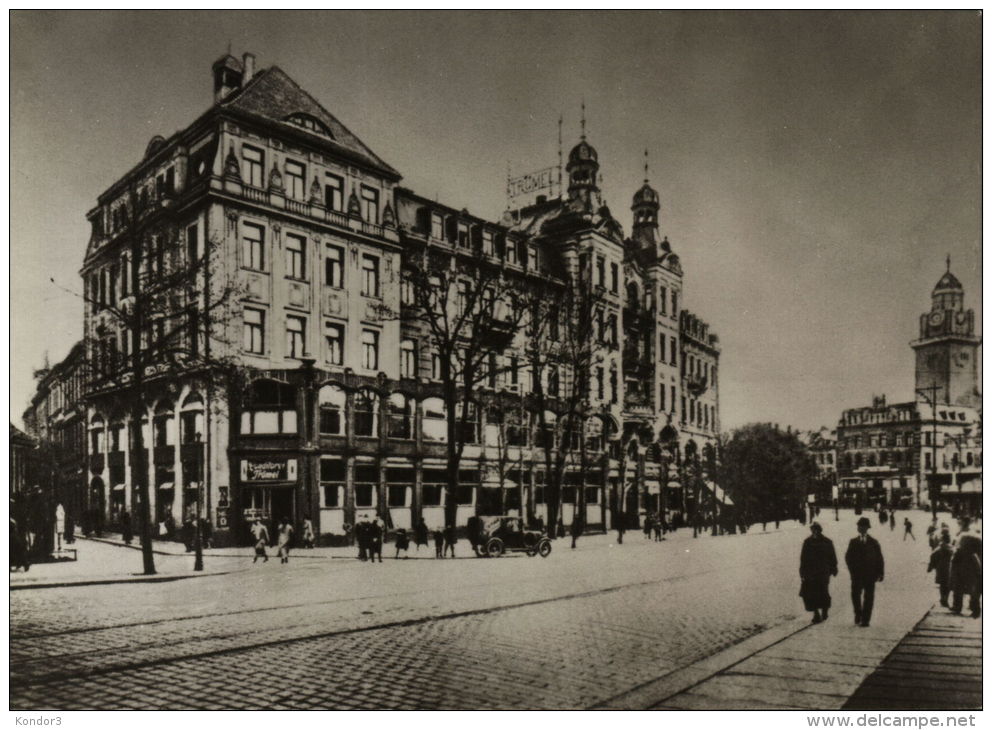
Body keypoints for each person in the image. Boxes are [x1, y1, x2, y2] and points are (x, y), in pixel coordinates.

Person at [845, 516, 885, 627]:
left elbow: (879, 558)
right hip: (856, 575)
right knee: (855, 595)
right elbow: (848, 558)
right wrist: (852, 570)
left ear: (867, 528)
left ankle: (866, 619)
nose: (861, 528)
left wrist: (881, 573)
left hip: (870, 575)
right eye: (859, 526)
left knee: (869, 597)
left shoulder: (873, 542)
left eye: (863, 527)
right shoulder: (853, 542)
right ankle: (858, 613)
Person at [800, 522, 838, 624]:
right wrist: (802, 571)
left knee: (823, 591)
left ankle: (825, 610)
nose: (814, 532)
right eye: (812, 530)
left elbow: (832, 556)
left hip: (823, 572)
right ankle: (816, 614)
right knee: (811, 593)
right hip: (810, 572)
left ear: (820, 530)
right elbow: (803, 558)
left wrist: (834, 568)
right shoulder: (807, 542)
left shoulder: (827, 542)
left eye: (816, 530)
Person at [949, 517, 982, 618]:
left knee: (958, 588)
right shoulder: (975, 554)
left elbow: (954, 557)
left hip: (961, 570)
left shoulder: (961, 544)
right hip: (972, 571)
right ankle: (975, 609)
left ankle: (957, 607)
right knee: (974, 590)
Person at [927, 532, 953, 607]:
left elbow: (932, 556)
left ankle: (942, 598)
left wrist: (930, 567)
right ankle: (945, 599)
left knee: (942, 584)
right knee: (948, 585)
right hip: (949, 568)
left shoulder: (939, 548)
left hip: (940, 568)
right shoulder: (951, 548)